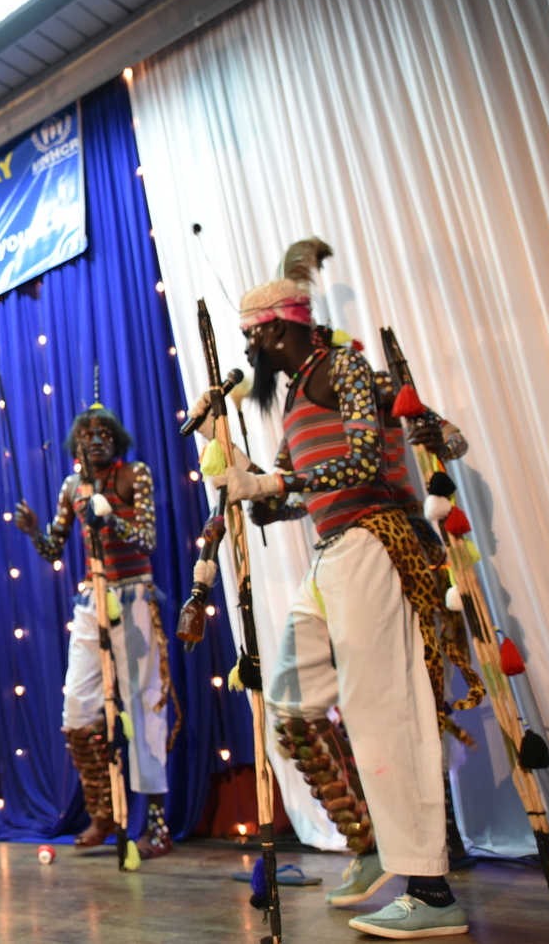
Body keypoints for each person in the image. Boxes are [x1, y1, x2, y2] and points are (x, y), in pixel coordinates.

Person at [217, 238, 469, 938]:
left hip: (375, 543)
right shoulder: (298, 394)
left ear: (279, 327)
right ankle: (369, 846)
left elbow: (361, 460)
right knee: (289, 705)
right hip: (331, 556)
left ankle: (431, 887)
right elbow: (288, 496)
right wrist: (245, 480)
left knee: (384, 705)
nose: (250, 350)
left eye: (253, 335)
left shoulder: (345, 366)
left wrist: (273, 481)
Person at [14, 404, 175, 857]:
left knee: (145, 707)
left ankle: (157, 826)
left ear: (117, 440)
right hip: (90, 601)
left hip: (134, 597)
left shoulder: (134, 475)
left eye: (104, 432)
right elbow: (53, 547)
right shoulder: (72, 486)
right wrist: (32, 532)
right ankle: (102, 810)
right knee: (77, 709)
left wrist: (111, 518)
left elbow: (147, 540)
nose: (96, 438)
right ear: (76, 444)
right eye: (87, 432)